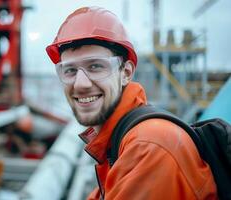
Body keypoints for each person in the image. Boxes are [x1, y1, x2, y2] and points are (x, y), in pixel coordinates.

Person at [46, 6, 217, 200]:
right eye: (69, 70)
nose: (81, 84)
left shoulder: (149, 146)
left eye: (95, 66)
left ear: (126, 73)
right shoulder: (121, 141)